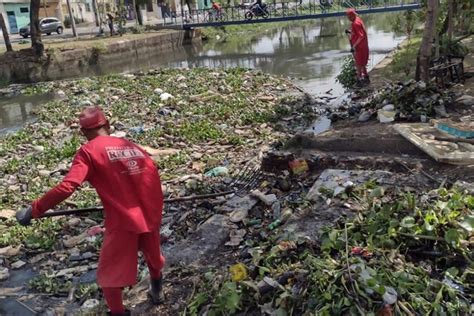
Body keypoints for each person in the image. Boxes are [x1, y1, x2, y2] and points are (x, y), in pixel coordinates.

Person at [16, 107, 165, 316]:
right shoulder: (132, 146)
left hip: (124, 220)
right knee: (153, 255)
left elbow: (68, 186)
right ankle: (157, 292)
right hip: (150, 213)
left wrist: (34, 209)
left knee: (109, 276)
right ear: (107, 125)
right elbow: (151, 176)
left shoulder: (88, 152)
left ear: (84, 133)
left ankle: (118, 313)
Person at [345, 8, 370, 86]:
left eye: (349, 17)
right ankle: (366, 76)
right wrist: (350, 32)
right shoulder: (358, 19)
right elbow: (358, 32)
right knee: (362, 63)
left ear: (352, 16)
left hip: (360, 47)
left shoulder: (355, 23)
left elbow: (361, 36)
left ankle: (359, 80)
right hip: (363, 46)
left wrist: (354, 46)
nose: (348, 18)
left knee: (359, 64)